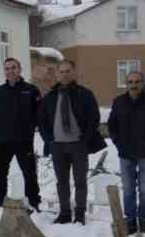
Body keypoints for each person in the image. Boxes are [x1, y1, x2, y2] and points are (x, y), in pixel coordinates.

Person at [38, 60, 101, 225]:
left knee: (80, 181)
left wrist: (85, 140)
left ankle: (80, 214)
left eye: (68, 71)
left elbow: (94, 119)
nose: (64, 75)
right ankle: (64, 213)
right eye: (61, 72)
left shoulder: (85, 94)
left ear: (73, 73)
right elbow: (42, 121)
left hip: (78, 145)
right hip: (57, 146)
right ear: (57, 74)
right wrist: (49, 140)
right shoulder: (50, 97)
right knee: (62, 182)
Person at [107, 71, 145, 233]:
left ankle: (144, 220)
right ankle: (131, 221)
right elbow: (112, 126)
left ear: (143, 83)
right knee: (128, 189)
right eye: (131, 82)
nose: (134, 85)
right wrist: (118, 143)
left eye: (137, 82)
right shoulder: (119, 102)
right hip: (125, 153)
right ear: (127, 84)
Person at [0, 57, 43, 213]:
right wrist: (6, 125)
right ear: (4, 72)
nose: (10, 71)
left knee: (29, 173)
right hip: (2, 140)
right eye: (7, 68)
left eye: (13, 68)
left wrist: (27, 126)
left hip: (24, 140)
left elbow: (39, 113)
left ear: (20, 69)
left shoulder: (31, 90)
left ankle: (33, 201)